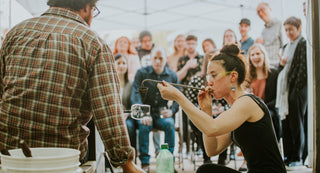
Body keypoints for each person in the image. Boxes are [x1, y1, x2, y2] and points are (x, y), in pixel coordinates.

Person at [0, 0, 143, 172]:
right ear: (86, 7)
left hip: (9, 156)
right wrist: (125, 163)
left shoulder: (16, 32)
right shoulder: (93, 43)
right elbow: (108, 111)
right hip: (62, 159)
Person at [157, 44, 286, 173]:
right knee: (206, 169)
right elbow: (212, 150)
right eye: (208, 77)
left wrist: (179, 97)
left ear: (233, 76)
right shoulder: (235, 109)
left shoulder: (247, 102)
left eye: (214, 75)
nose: (209, 82)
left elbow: (212, 128)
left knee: (205, 171)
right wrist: (207, 111)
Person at [131, 47, 179, 172]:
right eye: (155, 58)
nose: (157, 61)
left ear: (166, 59)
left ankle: (169, 160)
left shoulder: (172, 75)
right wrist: (142, 113)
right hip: (146, 113)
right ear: (151, 59)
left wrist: (172, 111)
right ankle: (145, 163)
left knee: (170, 124)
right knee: (144, 125)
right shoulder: (141, 73)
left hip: (161, 114)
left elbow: (179, 96)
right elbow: (135, 93)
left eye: (160, 58)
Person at [242, 43, 286, 172]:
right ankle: (248, 158)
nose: (256, 57)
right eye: (253, 54)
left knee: (270, 117)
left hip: (269, 110)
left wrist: (261, 108)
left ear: (264, 55)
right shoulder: (248, 77)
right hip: (251, 111)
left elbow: (277, 98)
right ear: (249, 58)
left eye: (258, 54)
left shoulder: (274, 73)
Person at [185, 49, 228, 164]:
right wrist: (203, 109)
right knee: (202, 122)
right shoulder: (196, 80)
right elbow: (190, 104)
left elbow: (229, 103)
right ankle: (206, 158)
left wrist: (222, 109)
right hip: (200, 114)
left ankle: (222, 159)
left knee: (224, 121)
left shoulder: (225, 80)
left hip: (220, 115)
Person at [276, 16, 307, 169]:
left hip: (296, 90)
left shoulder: (303, 43)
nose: (288, 32)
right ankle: (287, 155)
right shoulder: (287, 45)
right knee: (286, 124)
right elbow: (282, 68)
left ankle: (298, 156)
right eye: (286, 29)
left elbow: (303, 68)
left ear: (299, 28)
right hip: (284, 91)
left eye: (291, 29)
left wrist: (296, 89)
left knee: (297, 123)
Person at [177, 35, 203, 154]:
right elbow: (178, 77)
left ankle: (199, 145)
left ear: (196, 44)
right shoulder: (182, 60)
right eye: (188, 43)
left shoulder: (202, 59)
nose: (190, 46)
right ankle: (187, 147)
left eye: (193, 43)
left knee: (199, 120)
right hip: (185, 96)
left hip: (200, 95)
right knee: (185, 122)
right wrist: (187, 66)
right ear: (185, 45)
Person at [114, 53, 138, 152]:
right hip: (114, 116)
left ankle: (131, 155)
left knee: (129, 126)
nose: (121, 66)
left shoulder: (131, 84)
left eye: (124, 63)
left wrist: (127, 113)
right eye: (118, 63)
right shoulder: (111, 83)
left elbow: (134, 102)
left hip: (128, 116)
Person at [256, 2, 286, 68]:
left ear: (270, 9)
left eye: (262, 10)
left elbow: (285, 46)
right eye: (258, 12)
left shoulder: (280, 24)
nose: (260, 13)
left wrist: (282, 65)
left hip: (276, 66)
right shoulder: (263, 31)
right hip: (265, 66)